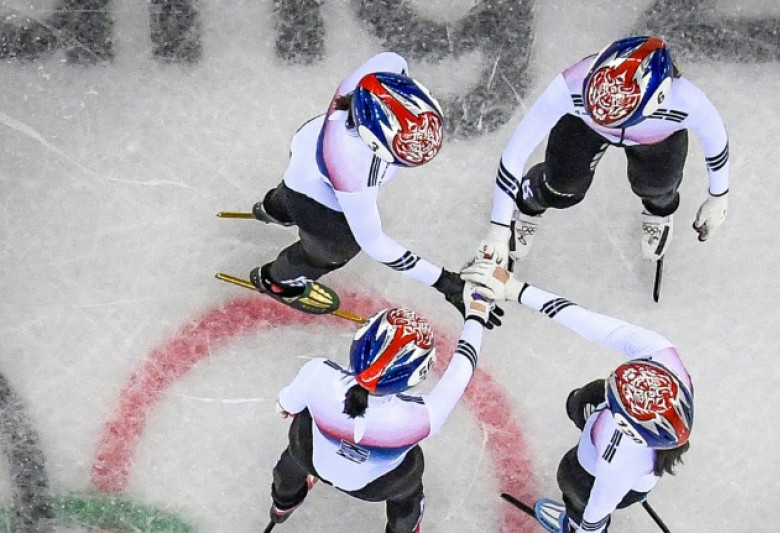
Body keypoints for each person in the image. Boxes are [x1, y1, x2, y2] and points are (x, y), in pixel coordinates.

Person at [247, 51, 499, 327]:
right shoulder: (351, 167)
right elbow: (374, 243)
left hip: (306, 148)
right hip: (316, 196)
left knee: (296, 188)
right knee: (334, 249)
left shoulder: (380, 73)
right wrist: (446, 283)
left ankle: (275, 207)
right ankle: (278, 281)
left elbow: (396, 63)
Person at [462, 256, 693, 533]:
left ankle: (569, 522)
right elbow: (592, 324)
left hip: (595, 475)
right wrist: (515, 288)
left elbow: (597, 509)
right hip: (622, 460)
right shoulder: (661, 355)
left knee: (572, 482)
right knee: (580, 400)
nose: (610, 377)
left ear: (626, 427)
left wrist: (585, 527)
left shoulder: (617, 456)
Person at [477, 35, 730, 268]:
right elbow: (515, 153)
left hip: (655, 139)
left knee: (657, 188)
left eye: (617, 116)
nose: (605, 117)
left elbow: (716, 141)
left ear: (658, 99)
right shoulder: (571, 85)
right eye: (593, 103)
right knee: (562, 188)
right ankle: (531, 199)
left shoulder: (688, 102)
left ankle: (658, 211)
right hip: (585, 128)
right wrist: (498, 230)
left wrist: (719, 197)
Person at [266, 281, 496, 533]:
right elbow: (464, 366)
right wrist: (477, 311)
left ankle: (283, 503)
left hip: (310, 459)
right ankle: (402, 529)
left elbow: (285, 407)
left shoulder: (317, 374)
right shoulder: (421, 417)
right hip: (375, 487)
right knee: (408, 491)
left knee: (295, 451)